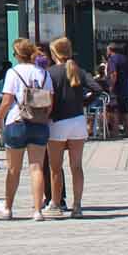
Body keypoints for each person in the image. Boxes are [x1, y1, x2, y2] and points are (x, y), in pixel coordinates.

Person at [0, 39, 54, 220]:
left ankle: (8, 207)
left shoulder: (13, 72)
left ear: (18, 55)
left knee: (13, 169)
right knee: (36, 168)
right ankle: (37, 210)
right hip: (38, 123)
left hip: (17, 121)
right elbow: (50, 101)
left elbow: (7, 101)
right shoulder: (44, 73)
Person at [45, 37, 99, 217]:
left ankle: (56, 203)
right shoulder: (79, 71)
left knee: (55, 167)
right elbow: (97, 88)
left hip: (57, 122)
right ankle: (77, 206)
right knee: (76, 166)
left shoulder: (50, 73)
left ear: (54, 54)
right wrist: (83, 102)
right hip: (77, 121)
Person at [103, 41, 128, 139]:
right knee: (126, 110)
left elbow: (113, 74)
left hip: (116, 89)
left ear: (110, 50)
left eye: (107, 50)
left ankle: (115, 133)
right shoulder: (126, 59)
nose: (106, 53)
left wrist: (111, 86)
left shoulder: (112, 59)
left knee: (114, 110)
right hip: (126, 88)